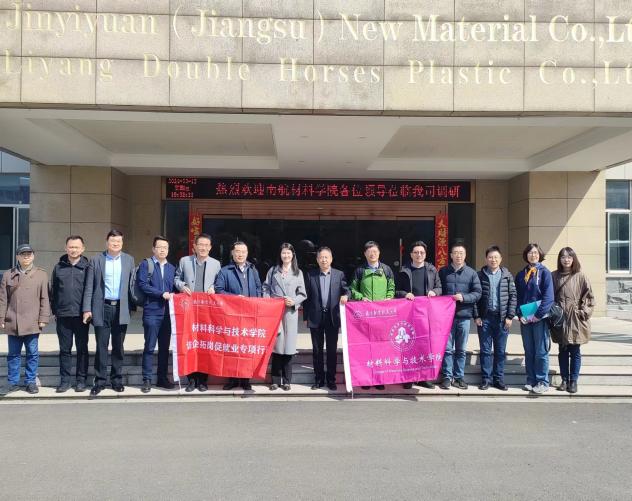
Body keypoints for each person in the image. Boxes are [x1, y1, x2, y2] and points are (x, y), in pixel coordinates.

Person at [82, 230, 135, 398]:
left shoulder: (129, 260)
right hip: (101, 307)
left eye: (119, 241)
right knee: (101, 346)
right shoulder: (96, 260)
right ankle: (100, 381)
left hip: (121, 307)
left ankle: (117, 380)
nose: (116, 244)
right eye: (113, 241)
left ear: (122, 243)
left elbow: (132, 285)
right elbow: (89, 286)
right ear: (107, 243)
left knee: (118, 347)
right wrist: (87, 309)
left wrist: (134, 305)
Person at [0, 244, 50, 394]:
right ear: (17, 257)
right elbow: (3, 299)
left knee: (32, 353)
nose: (26, 257)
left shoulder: (41, 275)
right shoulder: (8, 274)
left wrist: (43, 318)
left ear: (33, 256)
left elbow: (45, 298)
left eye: (29, 254)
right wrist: (1, 318)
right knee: (13, 354)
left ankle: (30, 382)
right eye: (23, 254)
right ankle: (12, 382)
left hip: (32, 321)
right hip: (13, 320)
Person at [174, 233, 221, 392]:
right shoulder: (184, 261)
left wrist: (214, 288)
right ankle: (191, 380)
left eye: (206, 245)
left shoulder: (216, 264)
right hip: (189, 310)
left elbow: (219, 283)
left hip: (207, 311)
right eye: (200, 244)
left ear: (210, 247)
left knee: (205, 344)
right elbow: (176, 279)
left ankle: (202, 381)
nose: (203, 248)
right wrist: (182, 286)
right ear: (194, 246)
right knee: (189, 343)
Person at [215, 241, 262, 391]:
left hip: (249, 315)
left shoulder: (253, 270)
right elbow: (219, 290)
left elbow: (259, 288)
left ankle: (245, 379)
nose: (240, 254)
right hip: (232, 315)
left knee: (247, 347)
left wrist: (256, 303)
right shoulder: (225, 271)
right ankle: (232, 379)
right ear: (232, 253)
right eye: (237, 251)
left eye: (243, 251)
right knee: (232, 347)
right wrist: (235, 298)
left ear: (247, 254)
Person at [395, 240, 442, 389]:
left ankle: (423, 377)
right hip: (408, 314)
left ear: (425, 254)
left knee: (424, 346)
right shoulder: (404, 271)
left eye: (421, 252)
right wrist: (405, 294)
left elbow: (440, 287)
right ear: (411, 254)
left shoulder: (432, 270)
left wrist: (434, 292)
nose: (419, 255)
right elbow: (396, 291)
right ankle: (408, 377)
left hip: (426, 315)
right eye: (416, 252)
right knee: (408, 347)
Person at [350, 241, 395, 390]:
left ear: (379, 253)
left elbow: (391, 287)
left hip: (382, 316)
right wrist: (361, 297)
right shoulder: (359, 270)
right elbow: (352, 289)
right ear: (365, 254)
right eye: (369, 252)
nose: (372, 254)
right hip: (365, 316)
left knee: (381, 347)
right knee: (365, 347)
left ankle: (379, 378)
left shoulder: (386, 269)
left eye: (375, 251)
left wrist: (389, 297)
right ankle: (366, 379)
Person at [263, 243, 307, 391]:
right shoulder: (273, 270)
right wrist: (269, 302)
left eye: (288, 253)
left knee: (288, 348)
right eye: (283, 253)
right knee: (276, 348)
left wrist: (293, 301)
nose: (286, 255)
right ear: (280, 255)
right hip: (275, 313)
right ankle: (275, 380)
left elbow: (303, 294)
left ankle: (287, 381)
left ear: (293, 255)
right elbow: (265, 287)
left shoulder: (298, 272)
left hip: (290, 314)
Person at [438, 243, 482, 391]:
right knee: (447, 349)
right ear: (450, 255)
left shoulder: (471, 273)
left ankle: (459, 377)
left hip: (464, 316)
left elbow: (477, 293)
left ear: (465, 255)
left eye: (461, 253)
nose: (458, 255)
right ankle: (446, 377)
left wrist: (463, 297)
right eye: (455, 253)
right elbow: (438, 290)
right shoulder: (443, 272)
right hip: (446, 317)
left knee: (461, 350)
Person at [303, 247, 348, 391]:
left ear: (331, 259)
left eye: (326, 257)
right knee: (317, 350)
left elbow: (346, 289)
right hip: (315, 317)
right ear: (317, 260)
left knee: (331, 350)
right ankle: (318, 379)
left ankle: (331, 379)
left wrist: (346, 295)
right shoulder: (311, 275)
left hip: (332, 317)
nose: (324, 260)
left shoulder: (339, 274)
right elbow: (306, 298)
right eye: (321, 257)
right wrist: (305, 317)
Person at [473, 246, 517, 391]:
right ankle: (486, 379)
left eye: (496, 257)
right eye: (490, 257)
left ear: (500, 259)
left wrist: (510, 316)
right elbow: (475, 297)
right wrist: (476, 316)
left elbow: (513, 296)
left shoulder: (507, 276)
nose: (493, 260)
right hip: (485, 318)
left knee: (500, 350)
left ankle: (498, 379)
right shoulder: (479, 275)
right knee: (485, 350)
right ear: (486, 259)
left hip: (502, 318)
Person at [551, 247, 594, 394]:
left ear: (573, 259)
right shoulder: (554, 276)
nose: (566, 259)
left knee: (575, 350)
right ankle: (564, 380)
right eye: (563, 257)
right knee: (562, 349)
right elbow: (549, 296)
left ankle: (573, 381)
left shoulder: (581, 276)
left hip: (576, 318)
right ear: (559, 259)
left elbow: (589, 297)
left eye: (569, 257)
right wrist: (553, 311)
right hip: (560, 318)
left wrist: (584, 312)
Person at [50, 235, 90, 393]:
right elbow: (53, 291)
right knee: (65, 350)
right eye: (71, 247)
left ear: (83, 249)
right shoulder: (58, 267)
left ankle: (81, 380)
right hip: (63, 315)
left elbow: (91, 290)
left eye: (76, 247)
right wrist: (55, 311)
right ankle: (65, 381)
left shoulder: (87, 267)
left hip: (81, 316)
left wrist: (88, 310)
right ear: (65, 248)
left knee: (82, 349)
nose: (73, 250)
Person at [138, 236, 177, 393]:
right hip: (152, 312)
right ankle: (146, 379)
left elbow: (175, 288)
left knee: (164, 348)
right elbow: (142, 285)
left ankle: (162, 378)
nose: (162, 250)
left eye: (165, 247)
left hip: (168, 314)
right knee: (149, 346)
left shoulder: (172, 268)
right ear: (153, 249)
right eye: (159, 247)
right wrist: (161, 294)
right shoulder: (146, 264)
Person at [515, 243, 554, 395]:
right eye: (530, 253)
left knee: (541, 351)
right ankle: (531, 380)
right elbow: (517, 297)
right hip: (525, 318)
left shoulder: (545, 273)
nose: (533, 255)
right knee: (529, 350)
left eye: (536, 253)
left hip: (540, 319)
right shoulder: (521, 274)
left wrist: (538, 315)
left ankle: (542, 381)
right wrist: (520, 315)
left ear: (540, 255)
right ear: (526, 255)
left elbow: (548, 298)